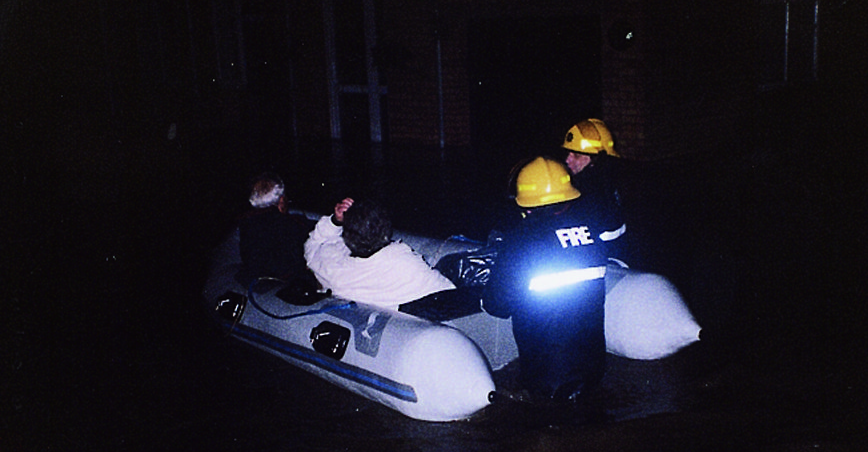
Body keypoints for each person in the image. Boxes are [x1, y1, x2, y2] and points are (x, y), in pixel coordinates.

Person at [482, 156, 620, 402]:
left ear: (525, 202)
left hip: (545, 379)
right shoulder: (591, 230)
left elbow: (497, 305)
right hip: (592, 371)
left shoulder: (521, 239)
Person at [304, 197, 456, 310]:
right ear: (386, 232)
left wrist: (335, 221)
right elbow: (449, 293)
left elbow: (312, 246)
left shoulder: (331, 268)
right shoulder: (406, 263)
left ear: (347, 238)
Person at [562, 118, 629, 263]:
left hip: (606, 263)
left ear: (596, 159)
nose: (568, 160)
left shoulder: (589, 192)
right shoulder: (609, 182)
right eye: (568, 153)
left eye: (576, 155)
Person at [237, 173, 315, 286]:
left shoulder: (245, 223)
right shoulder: (291, 224)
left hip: (254, 283)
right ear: (281, 201)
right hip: (280, 285)